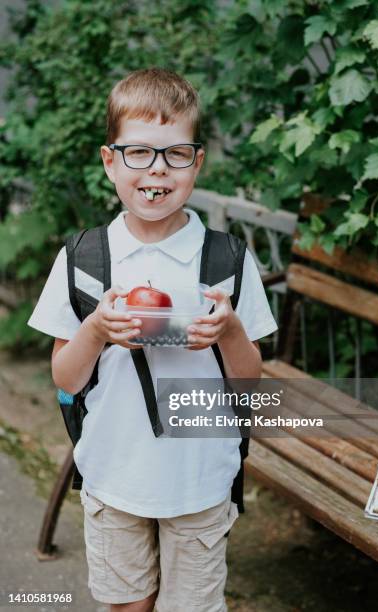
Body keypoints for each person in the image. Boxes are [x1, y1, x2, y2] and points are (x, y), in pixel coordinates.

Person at [27, 67, 278, 612]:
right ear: (110, 160)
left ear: (197, 162)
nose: (157, 170)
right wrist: (95, 329)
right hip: (114, 475)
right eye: (138, 152)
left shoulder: (226, 260)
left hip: (200, 479)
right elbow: (66, 380)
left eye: (175, 154)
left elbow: (249, 380)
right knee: (126, 606)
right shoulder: (83, 261)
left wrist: (231, 330)